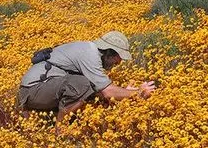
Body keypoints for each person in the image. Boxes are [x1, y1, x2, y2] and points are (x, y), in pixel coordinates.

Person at [17, 31, 156, 128]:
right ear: (109, 52)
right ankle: (60, 131)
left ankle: (57, 122)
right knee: (83, 84)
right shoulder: (89, 54)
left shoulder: (89, 50)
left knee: (88, 87)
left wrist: (124, 93)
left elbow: (100, 90)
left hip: (40, 90)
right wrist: (137, 93)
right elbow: (106, 91)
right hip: (33, 91)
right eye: (118, 58)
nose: (119, 63)